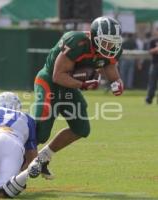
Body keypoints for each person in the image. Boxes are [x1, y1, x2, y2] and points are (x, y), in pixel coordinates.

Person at [29, 16, 124, 179]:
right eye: (106, 41)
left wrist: (117, 84)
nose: (111, 46)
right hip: (49, 82)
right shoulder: (77, 42)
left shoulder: (108, 51)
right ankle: (16, 162)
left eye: (113, 42)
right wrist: (84, 85)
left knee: (81, 128)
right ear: (94, 37)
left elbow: (112, 72)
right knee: (41, 132)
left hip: (69, 86)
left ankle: (43, 157)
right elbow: (57, 76)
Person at [145, 28, 158, 104]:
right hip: (155, 64)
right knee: (152, 83)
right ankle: (149, 99)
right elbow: (149, 51)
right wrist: (156, 49)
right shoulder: (153, 41)